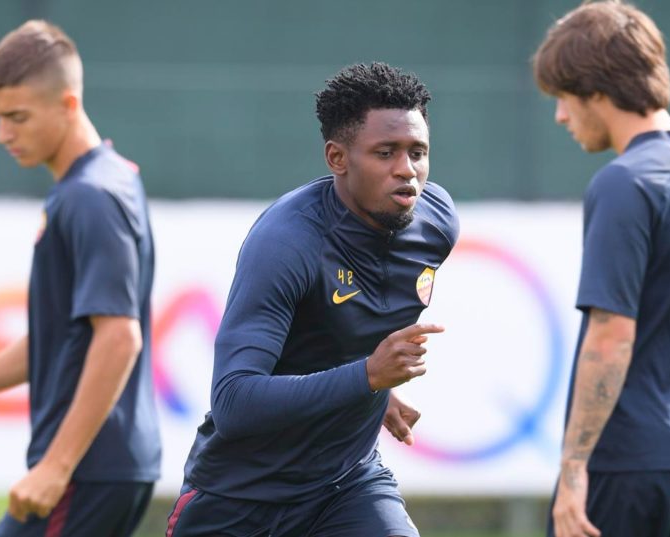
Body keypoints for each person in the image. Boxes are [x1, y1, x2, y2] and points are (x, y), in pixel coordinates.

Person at [166, 62, 459, 537]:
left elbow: (339, 328)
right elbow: (234, 402)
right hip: (241, 499)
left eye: (418, 152)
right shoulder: (286, 244)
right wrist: (367, 377)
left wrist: (374, 390)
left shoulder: (436, 222)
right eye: (385, 152)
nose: (407, 171)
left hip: (346, 484)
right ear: (337, 158)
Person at [0, 20, 160, 536]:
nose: (3, 135)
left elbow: (118, 337)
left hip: (85, 469)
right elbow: (61, 336)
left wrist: (57, 466)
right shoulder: (107, 178)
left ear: (67, 104)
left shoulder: (90, 197)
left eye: (17, 117)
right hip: (103, 466)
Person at [533, 2, 670, 536]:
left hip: (630, 463)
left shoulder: (626, 181)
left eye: (564, 97)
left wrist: (573, 469)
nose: (561, 116)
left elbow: (610, 335)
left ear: (595, 90)